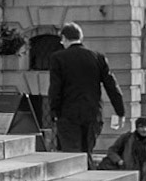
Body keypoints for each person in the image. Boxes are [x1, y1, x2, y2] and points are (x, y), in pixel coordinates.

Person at [46, 22, 125, 158]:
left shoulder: (58, 58)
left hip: (68, 114)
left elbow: (55, 88)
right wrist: (120, 111)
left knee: (72, 155)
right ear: (80, 37)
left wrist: (53, 111)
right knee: (87, 152)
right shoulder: (97, 57)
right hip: (92, 113)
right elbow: (112, 86)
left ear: (64, 38)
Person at [101, 116, 146, 181]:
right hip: (127, 172)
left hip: (144, 178)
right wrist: (119, 160)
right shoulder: (127, 138)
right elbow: (112, 150)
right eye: (141, 127)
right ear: (137, 128)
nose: (144, 130)